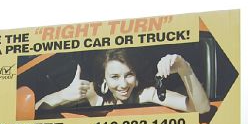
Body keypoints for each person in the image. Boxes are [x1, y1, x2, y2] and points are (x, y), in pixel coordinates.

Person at [34, 49, 210, 114]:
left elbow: (200, 108)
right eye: (115, 77)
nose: (124, 85)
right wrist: (62, 95)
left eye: (129, 75)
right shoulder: (91, 93)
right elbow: (36, 110)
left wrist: (184, 68)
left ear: (136, 75)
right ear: (104, 79)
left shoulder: (146, 93)